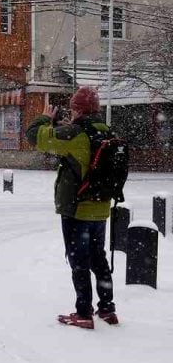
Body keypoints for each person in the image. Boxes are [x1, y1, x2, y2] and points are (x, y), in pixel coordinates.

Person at [26, 86, 119, 329]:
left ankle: (83, 313)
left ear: (76, 109)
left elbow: (34, 136)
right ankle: (107, 309)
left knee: (79, 261)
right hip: (100, 207)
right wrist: (69, 126)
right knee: (98, 258)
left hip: (78, 208)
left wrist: (45, 117)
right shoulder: (105, 130)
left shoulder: (76, 133)